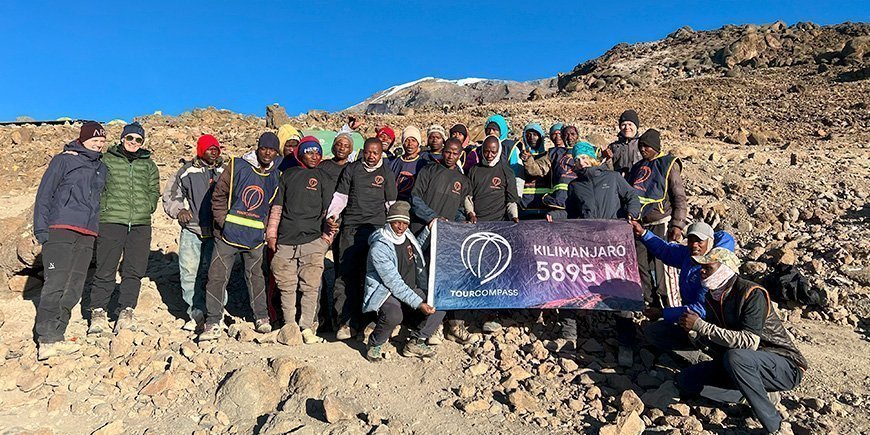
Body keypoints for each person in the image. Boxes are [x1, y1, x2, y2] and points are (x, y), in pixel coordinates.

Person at [675, 248, 807, 434]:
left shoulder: (752, 293)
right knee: (686, 380)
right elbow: (718, 343)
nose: (701, 271)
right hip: (743, 364)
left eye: (708, 267)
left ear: (725, 269)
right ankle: (752, 396)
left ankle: (774, 425)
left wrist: (701, 326)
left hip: (783, 364)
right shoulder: (711, 297)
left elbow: (749, 342)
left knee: (736, 357)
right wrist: (694, 334)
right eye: (701, 267)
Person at [548, 142, 641, 359]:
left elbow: (632, 197)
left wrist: (632, 213)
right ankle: (569, 334)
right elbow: (571, 215)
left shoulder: (613, 178)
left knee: (619, 289)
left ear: (593, 158)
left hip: (613, 244)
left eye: (584, 158)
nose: (580, 162)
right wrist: (556, 218)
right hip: (586, 245)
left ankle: (626, 342)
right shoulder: (575, 186)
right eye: (577, 159)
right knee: (573, 284)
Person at [33, 122, 108, 360]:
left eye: (102, 140)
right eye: (95, 139)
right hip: (60, 229)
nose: (99, 143)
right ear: (83, 139)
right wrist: (41, 229)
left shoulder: (102, 168)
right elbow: (44, 194)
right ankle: (46, 339)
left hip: (87, 233)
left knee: (75, 287)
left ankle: (59, 334)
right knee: (55, 282)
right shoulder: (63, 160)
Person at [199, 132, 282, 341]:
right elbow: (218, 196)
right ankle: (213, 321)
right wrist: (223, 223)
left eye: (272, 149)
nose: (267, 152)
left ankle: (261, 317)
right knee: (217, 277)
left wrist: (265, 230)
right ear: (258, 147)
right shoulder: (237, 166)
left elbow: (272, 206)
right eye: (264, 148)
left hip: (255, 238)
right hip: (227, 236)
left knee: (256, 278)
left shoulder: (276, 175)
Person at [87, 122, 160, 335]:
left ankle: (126, 310)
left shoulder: (149, 165)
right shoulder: (106, 160)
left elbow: (154, 190)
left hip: (140, 223)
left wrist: (148, 206)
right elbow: (96, 186)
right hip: (111, 220)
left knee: (134, 269)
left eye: (138, 140)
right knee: (106, 267)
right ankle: (98, 312)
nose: (134, 143)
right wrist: (103, 208)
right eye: (130, 138)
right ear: (122, 138)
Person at [628, 220, 735, 363]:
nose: (694, 245)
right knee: (652, 332)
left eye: (699, 241)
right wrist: (643, 233)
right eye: (690, 240)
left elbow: (700, 309)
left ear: (710, 242)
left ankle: (701, 357)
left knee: (659, 333)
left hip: (709, 324)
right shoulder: (688, 255)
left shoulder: (712, 271)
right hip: (689, 317)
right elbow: (666, 251)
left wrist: (663, 313)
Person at [325, 138, 398, 340]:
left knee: (372, 275)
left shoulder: (386, 173)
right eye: (368, 152)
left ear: (381, 153)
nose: (371, 156)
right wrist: (333, 215)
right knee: (346, 274)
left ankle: (367, 322)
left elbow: (391, 204)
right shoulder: (352, 169)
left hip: (375, 230)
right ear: (362, 152)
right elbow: (341, 197)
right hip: (350, 228)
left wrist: (391, 232)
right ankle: (345, 322)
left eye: (376, 153)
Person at [266, 137, 332, 344]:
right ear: (300, 153)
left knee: (310, 286)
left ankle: (307, 326)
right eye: (309, 152)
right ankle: (289, 324)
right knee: (286, 285)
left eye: (318, 152)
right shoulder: (288, 175)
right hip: (286, 240)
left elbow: (330, 213)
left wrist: (326, 241)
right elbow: (277, 208)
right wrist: (271, 235)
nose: (314, 156)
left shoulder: (323, 177)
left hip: (313, 241)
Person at [362, 201, 445, 361]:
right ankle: (374, 343)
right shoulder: (379, 247)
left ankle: (416, 341)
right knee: (394, 315)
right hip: (386, 291)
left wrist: (428, 230)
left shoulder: (406, 235)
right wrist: (419, 304)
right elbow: (393, 282)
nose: (401, 227)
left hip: (410, 287)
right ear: (389, 222)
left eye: (405, 223)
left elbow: (415, 249)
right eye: (397, 222)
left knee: (440, 302)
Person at [162, 134, 226, 331]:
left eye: (216, 148)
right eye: (209, 148)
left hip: (217, 231)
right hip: (193, 229)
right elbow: (171, 194)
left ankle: (217, 313)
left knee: (216, 274)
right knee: (190, 272)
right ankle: (196, 312)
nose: (213, 151)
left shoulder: (226, 171)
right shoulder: (186, 171)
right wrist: (179, 210)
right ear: (200, 150)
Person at [626, 129, 687, 309]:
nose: (643, 149)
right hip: (639, 224)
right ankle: (651, 304)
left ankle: (670, 305)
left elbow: (679, 197)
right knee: (641, 265)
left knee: (663, 268)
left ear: (656, 146)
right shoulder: (637, 167)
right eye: (641, 146)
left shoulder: (668, 165)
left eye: (647, 146)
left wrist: (677, 224)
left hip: (661, 223)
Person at [317, 132, 354, 330]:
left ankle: (341, 317)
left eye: (346, 145)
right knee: (316, 269)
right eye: (338, 144)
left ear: (351, 149)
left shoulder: (353, 169)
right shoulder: (323, 166)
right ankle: (322, 316)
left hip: (345, 224)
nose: (341, 147)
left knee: (343, 270)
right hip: (322, 222)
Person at [410, 138, 471, 234]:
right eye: (448, 152)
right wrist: (433, 218)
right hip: (421, 229)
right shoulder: (428, 170)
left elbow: (459, 209)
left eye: (455, 154)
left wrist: (461, 222)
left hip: (445, 234)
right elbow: (415, 199)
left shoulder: (463, 180)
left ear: (459, 155)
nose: (450, 156)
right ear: (442, 151)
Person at [466, 136, 519, 224]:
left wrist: (514, 216)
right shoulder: (474, 170)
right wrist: (470, 214)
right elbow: (468, 197)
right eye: (486, 151)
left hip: (499, 222)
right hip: (477, 222)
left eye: (493, 152)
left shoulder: (507, 172)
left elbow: (511, 201)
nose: (489, 155)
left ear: (499, 151)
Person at [514, 123, 550, 219]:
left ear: (541, 137)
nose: (532, 138)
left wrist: (527, 159)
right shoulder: (518, 154)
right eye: (528, 135)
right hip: (524, 202)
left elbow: (538, 170)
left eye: (535, 135)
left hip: (543, 202)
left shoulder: (547, 155)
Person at [388, 126, 429, 201]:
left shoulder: (424, 164)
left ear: (418, 143)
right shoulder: (393, 163)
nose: (410, 144)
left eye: (413, 140)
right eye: (407, 140)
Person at [601, 110, 643, 177]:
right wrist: (607, 158)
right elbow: (607, 171)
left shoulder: (643, 145)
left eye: (630, 124)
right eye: (623, 125)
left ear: (636, 126)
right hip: (617, 183)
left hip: (637, 184)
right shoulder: (613, 146)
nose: (627, 128)